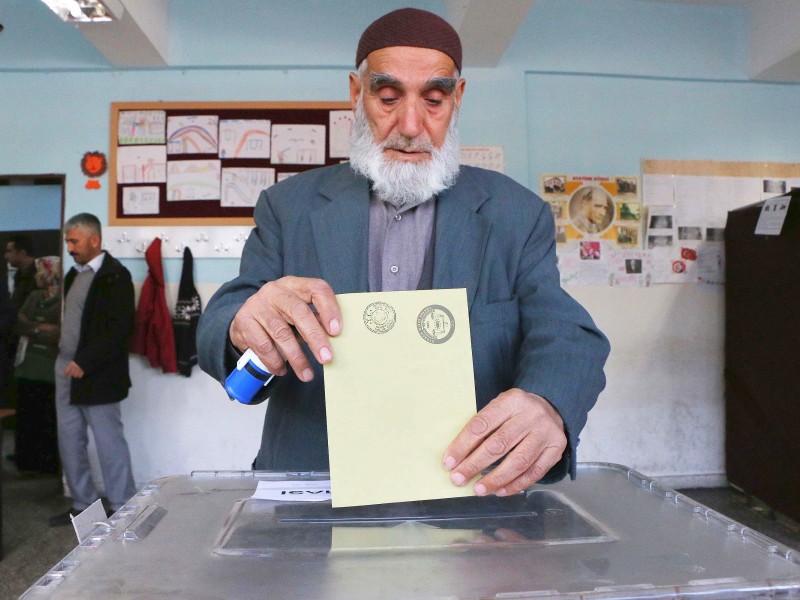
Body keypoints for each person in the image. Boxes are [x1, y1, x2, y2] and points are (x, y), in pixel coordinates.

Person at [197, 7, 610, 498]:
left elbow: (565, 331)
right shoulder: (290, 206)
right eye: (388, 97)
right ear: (357, 93)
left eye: (433, 100)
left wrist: (548, 403)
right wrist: (243, 321)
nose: (410, 125)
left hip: (467, 494)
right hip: (313, 485)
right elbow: (225, 314)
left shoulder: (516, 215)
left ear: (457, 98)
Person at [49, 214, 137, 526]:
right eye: (68, 241)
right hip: (65, 371)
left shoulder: (116, 276)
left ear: (94, 240)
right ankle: (82, 505)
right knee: (70, 440)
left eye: (74, 241)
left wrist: (85, 362)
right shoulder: (74, 275)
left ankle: (122, 505)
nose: (69, 247)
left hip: (97, 374)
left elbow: (120, 330)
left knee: (109, 443)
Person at [14, 256, 62, 476]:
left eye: (40, 271)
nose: (36, 276)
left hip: (50, 367)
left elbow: (60, 332)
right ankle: (27, 460)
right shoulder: (34, 295)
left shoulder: (64, 298)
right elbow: (20, 323)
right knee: (26, 414)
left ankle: (46, 462)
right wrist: (40, 328)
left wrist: (34, 328)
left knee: (46, 415)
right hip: (28, 365)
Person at [5, 234, 37, 311]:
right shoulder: (17, 276)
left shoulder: (41, 276)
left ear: (22, 253)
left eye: (9, 251)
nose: (5, 256)